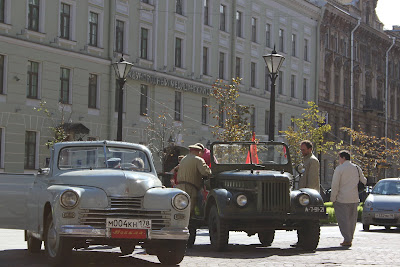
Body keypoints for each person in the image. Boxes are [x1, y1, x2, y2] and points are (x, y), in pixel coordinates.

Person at [330, 150, 367, 247]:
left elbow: (335, 185)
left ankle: (347, 239)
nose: (339, 160)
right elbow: (364, 180)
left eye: (339, 158)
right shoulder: (356, 168)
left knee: (343, 220)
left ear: (343, 158)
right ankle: (350, 238)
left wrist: (333, 198)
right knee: (352, 220)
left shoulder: (339, 169)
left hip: (342, 199)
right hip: (354, 198)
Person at [176, 144, 211, 215]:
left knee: (180, 207)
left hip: (180, 187)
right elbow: (206, 172)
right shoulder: (198, 160)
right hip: (191, 188)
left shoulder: (184, 159)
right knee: (190, 209)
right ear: (199, 152)